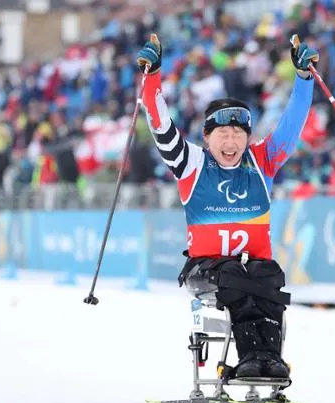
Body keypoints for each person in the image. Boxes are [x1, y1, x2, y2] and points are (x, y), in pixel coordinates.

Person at [136, 34, 318, 380]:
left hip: (254, 268)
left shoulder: (262, 162)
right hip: (207, 270)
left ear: (248, 137)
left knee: (269, 275)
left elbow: (292, 124)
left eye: (238, 134)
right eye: (222, 134)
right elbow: (160, 125)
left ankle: (269, 361)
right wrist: (153, 76)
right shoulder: (190, 163)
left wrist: (304, 78)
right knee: (235, 276)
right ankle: (251, 357)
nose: (231, 142)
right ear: (207, 137)